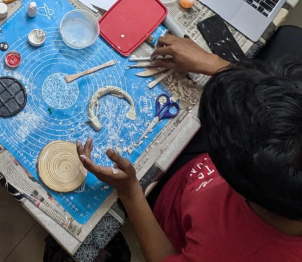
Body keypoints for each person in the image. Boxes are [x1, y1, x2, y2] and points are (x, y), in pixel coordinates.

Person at [77, 34, 302, 261]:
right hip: (199, 174)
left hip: (168, 203)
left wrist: (130, 192)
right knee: (291, 38)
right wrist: (214, 64)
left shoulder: (220, 252)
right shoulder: (277, 182)